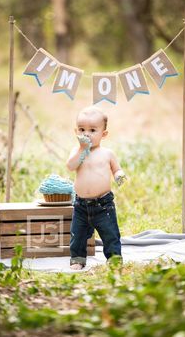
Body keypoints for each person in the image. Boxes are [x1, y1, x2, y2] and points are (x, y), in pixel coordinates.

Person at [66, 106, 126, 270]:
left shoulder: (107, 153)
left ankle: (114, 258)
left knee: (110, 232)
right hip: (81, 206)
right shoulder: (77, 151)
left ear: (103, 134)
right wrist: (81, 150)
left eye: (92, 130)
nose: (86, 134)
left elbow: (116, 168)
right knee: (77, 234)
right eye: (82, 129)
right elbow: (70, 166)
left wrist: (119, 175)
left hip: (103, 204)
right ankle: (77, 259)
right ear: (76, 131)